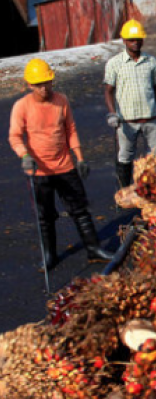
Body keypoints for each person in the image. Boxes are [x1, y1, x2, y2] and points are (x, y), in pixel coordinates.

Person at [9, 58, 113, 269]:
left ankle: (93, 249)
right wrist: (24, 156)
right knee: (45, 216)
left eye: (46, 82)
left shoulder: (61, 101)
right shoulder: (22, 106)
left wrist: (80, 158)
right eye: (38, 84)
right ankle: (50, 255)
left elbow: (71, 130)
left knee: (80, 209)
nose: (43, 88)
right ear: (29, 85)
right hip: (39, 170)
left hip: (65, 165)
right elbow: (15, 136)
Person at [104, 19, 156, 188]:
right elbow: (109, 91)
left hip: (151, 118)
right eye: (132, 40)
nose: (136, 43)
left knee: (155, 157)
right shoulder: (114, 63)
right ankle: (124, 191)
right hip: (127, 120)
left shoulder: (151, 61)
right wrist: (112, 114)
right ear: (124, 41)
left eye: (138, 39)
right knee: (125, 156)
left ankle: (155, 190)